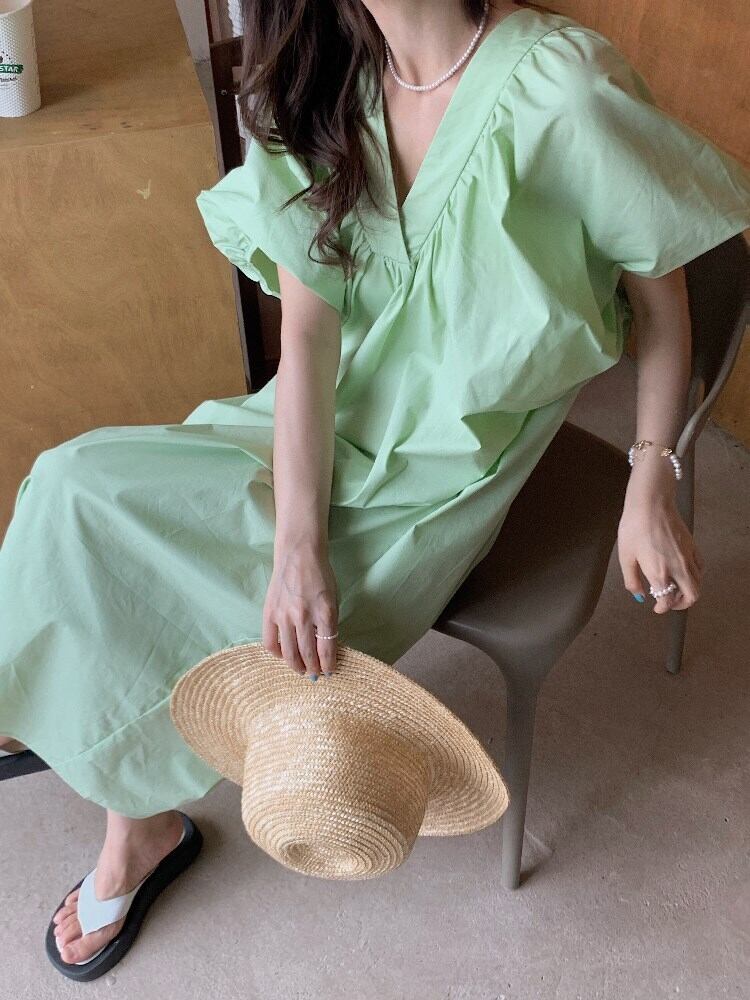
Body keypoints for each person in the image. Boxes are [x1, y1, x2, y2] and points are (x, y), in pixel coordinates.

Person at [1, 0, 748, 975]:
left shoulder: (565, 90)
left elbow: (663, 298)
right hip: (317, 419)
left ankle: (129, 834)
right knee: (73, 489)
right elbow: (309, 337)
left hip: (438, 480)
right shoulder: (324, 88)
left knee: (221, 606)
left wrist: (652, 473)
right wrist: (297, 543)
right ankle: (91, 751)